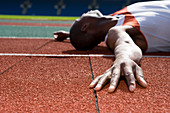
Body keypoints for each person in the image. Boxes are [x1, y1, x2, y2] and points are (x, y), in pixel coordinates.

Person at [53, 1, 170, 93]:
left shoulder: (116, 16)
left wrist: (69, 35)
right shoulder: (116, 30)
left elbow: (89, 35)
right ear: (85, 27)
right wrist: (123, 58)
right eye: (80, 18)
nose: (84, 13)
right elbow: (124, 43)